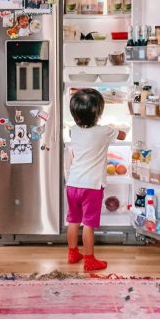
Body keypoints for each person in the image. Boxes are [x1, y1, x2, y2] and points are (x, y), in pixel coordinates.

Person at [66, 88, 126, 271]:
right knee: (89, 225)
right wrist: (113, 127)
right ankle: (90, 260)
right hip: (91, 186)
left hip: (73, 183)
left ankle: (73, 253)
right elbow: (122, 136)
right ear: (98, 113)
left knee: (73, 221)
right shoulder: (104, 131)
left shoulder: (73, 130)